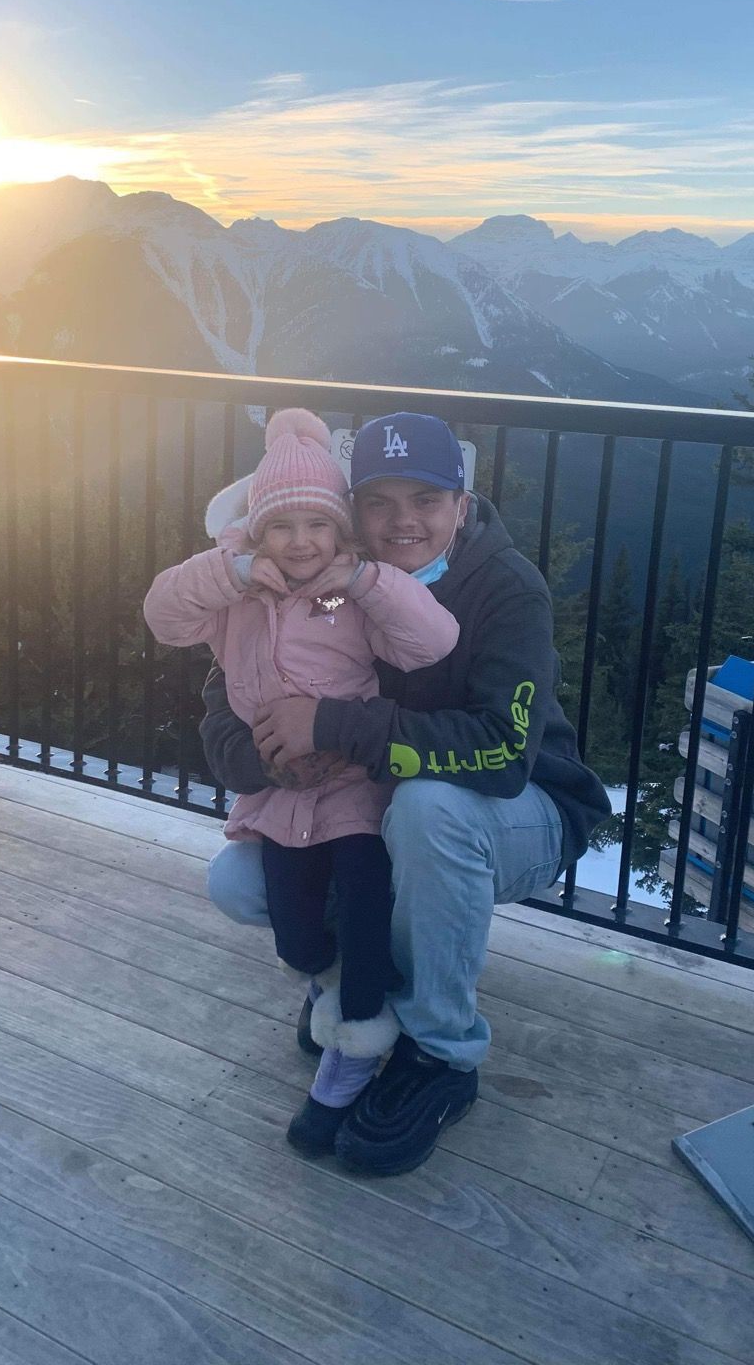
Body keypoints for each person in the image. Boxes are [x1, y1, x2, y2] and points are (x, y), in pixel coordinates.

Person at [202, 411, 611, 1176]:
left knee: (428, 811)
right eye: (379, 502)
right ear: (349, 508)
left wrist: (335, 724)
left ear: (462, 504)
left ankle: (440, 1055)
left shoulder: (504, 587)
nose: (402, 522)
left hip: (525, 808)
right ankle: (357, 989)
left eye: (426, 500)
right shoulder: (308, 573)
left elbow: (502, 754)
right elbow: (222, 705)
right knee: (238, 876)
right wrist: (269, 760)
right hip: (374, 805)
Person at [143, 408, 459, 1153]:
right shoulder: (234, 599)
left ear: (340, 532)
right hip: (280, 799)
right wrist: (230, 572)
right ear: (255, 535)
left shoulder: (356, 595)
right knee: (295, 931)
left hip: (352, 789)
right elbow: (163, 615)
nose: (302, 543)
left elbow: (431, 642)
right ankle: (330, 987)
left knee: (361, 907)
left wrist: (369, 578)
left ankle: (353, 1050)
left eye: (319, 525)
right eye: (282, 527)